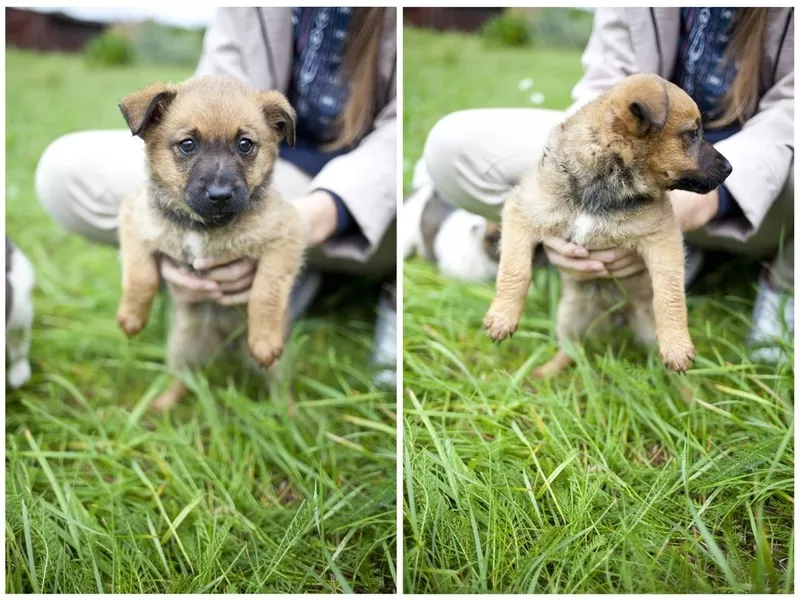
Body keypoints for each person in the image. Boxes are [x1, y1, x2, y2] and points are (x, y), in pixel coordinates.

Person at [35, 7, 398, 387]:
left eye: (244, 146)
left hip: (365, 185)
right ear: (151, 126)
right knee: (67, 171)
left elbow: (394, 138)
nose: (219, 183)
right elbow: (218, 86)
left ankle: (307, 276)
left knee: (287, 236)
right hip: (276, 172)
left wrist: (328, 212)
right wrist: (144, 281)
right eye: (188, 146)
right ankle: (286, 272)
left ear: (277, 129)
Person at [418, 7, 794, 363]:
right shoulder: (634, 119)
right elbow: (604, 88)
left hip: (770, 167)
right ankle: (497, 236)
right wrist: (551, 225)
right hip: (629, 158)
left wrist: (716, 199)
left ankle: (784, 284)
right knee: (451, 144)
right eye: (690, 137)